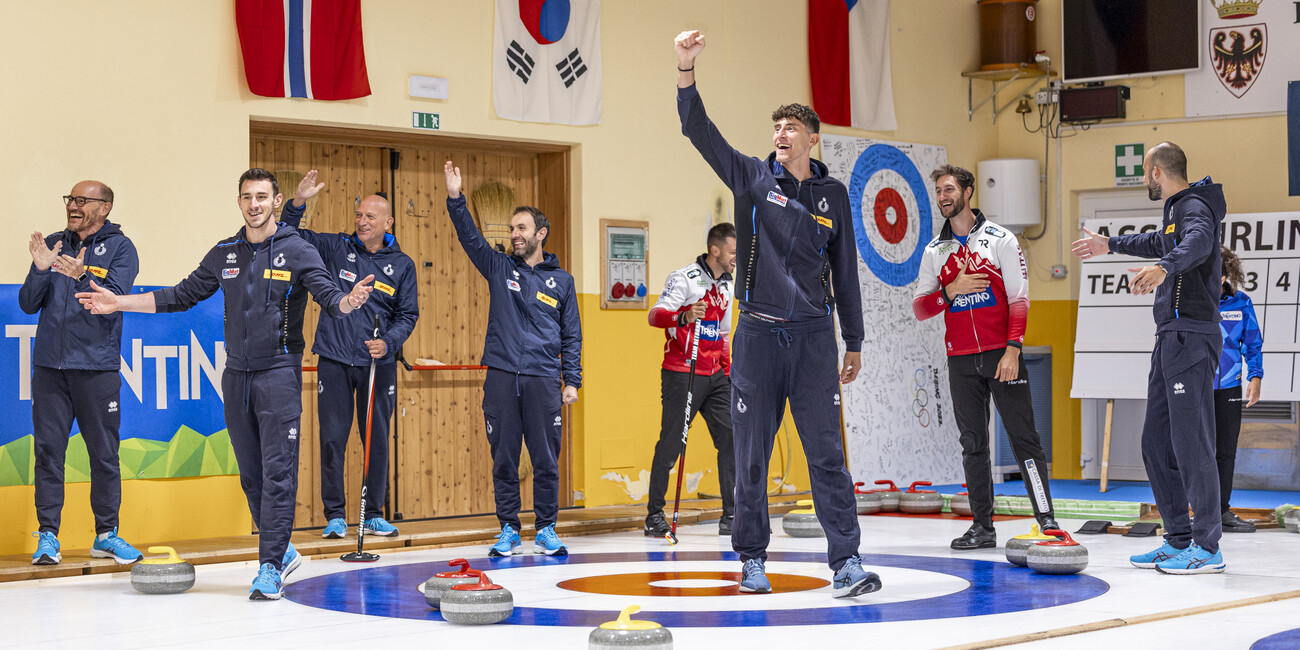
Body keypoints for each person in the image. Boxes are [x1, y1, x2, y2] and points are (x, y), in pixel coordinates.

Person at [77, 168, 375, 599]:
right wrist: (116, 301)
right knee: (251, 478)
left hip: (279, 374)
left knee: (278, 475)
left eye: (261, 196)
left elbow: (331, 299)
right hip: (236, 375)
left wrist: (349, 301)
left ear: (276, 202)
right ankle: (283, 551)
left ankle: (270, 565)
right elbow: (180, 295)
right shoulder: (225, 252)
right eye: (246, 197)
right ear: (239, 202)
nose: (254, 204)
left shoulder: (297, 249)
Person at [674, 30, 879, 599]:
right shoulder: (753, 178)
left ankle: (847, 563)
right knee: (751, 456)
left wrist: (853, 340)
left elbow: (846, 268)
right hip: (759, 337)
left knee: (827, 457)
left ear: (812, 138)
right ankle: (752, 559)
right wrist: (686, 71)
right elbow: (699, 132)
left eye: (792, 129)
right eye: (777, 128)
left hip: (815, 338)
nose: (781, 135)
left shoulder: (833, 195)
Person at [1072, 142, 1227, 574]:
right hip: (1170, 339)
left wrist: (1164, 267)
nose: (1145, 181)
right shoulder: (1178, 210)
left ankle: (1208, 547)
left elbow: (1195, 243)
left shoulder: (1195, 207)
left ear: (1156, 171)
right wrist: (1112, 245)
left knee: (1192, 444)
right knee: (1156, 443)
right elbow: (1159, 239)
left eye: (1145, 174)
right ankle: (1178, 540)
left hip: (1191, 338)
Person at [912, 165, 1059, 550]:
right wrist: (951, 290)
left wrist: (1013, 348)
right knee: (972, 443)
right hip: (960, 360)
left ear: (968, 192)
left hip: (1001, 354)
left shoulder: (1001, 240)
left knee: (1025, 439)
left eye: (949, 189)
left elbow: (1019, 300)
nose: (944, 197)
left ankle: (1047, 521)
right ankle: (982, 527)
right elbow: (921, 308)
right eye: (939, 192)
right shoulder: (934, 250)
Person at [443, 160, 582, 558]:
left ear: (541, 233)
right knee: (504, 458)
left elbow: (572, 335)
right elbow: (470, 239)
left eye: (521, 228)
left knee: (545, 461)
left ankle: (546, 529)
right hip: (502, 376)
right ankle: (508, 529)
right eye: (511, 228)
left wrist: (571, 380)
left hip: (542, 380)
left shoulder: (563, 282)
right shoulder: (499, 266)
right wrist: (456, 199)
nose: (514, 234)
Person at [280, 171, 420, 539]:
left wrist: (389, 343)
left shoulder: (402, 264)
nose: (361, 221)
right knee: (332, 438)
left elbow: (408, 315)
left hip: (379, 364)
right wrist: (297, 203)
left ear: (387, 222)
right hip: (335, 360)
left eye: (370, 217)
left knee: (376, 438)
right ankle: (336, 516)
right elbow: (288, 233)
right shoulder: (336, 247)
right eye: (359, 215)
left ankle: (373, 513)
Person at [21, 181, 143, 566]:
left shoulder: (122, 249)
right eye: (70, 199)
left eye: (82, 200)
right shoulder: (55, 244)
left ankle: (106, 535)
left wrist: (79, 274)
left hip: (96, 368)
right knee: (48, 454)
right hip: (50, 369)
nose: (73, 205)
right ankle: (47, 537)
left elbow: (114, 296)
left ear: (104, 207)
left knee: (104, 455)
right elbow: (28, 304)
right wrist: (42, 270)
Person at [644, 223, 737, 538]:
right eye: (733, 251)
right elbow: (655, 315)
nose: (736, 258)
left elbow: (723, 333)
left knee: (731, 439)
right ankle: (654, 515)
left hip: (714, 375)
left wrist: (726, 367)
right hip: (682, 372)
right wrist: (683, 315)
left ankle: (732, 515)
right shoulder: (684, 278)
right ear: (716, 250)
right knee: (671, 444)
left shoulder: (727, 285)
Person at [1214, 246, 1263, 533]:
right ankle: (1197, 510)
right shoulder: (1192, 301)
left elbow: (1252, 343)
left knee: (1225, 452)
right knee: (1197, 451)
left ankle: (1221, 511)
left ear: (1222, 277)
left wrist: (1255, 377)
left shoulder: (1241, 303)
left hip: (1229, 386)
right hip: (1195, 388)